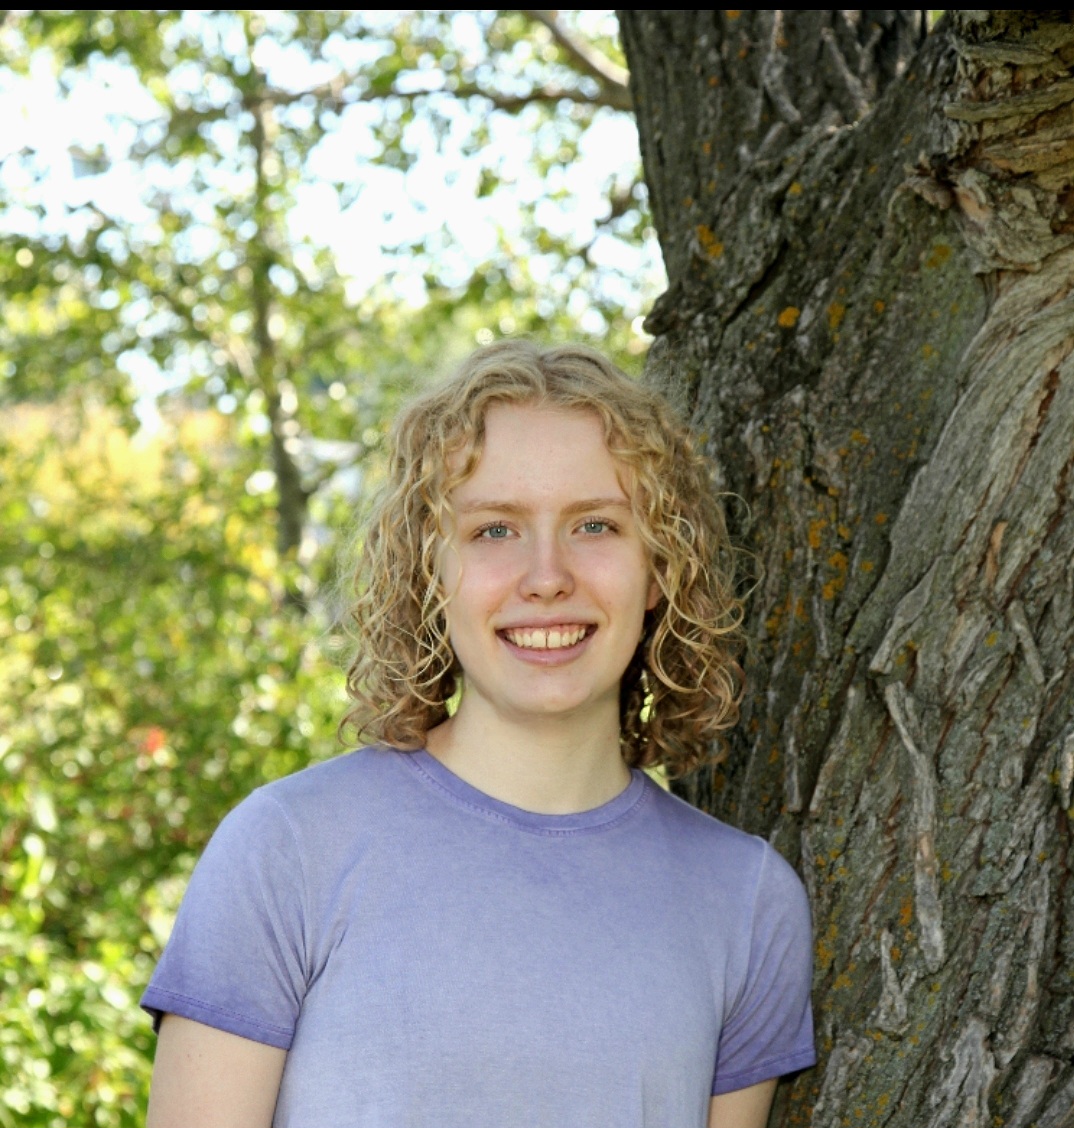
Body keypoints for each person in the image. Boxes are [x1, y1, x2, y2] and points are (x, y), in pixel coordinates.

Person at [142, 340, 815, 1128]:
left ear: (661, 565)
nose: (546, 575)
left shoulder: (747, 901)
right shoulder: (288, 849)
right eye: (495, 531)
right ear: (431, 570)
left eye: (595, 525)